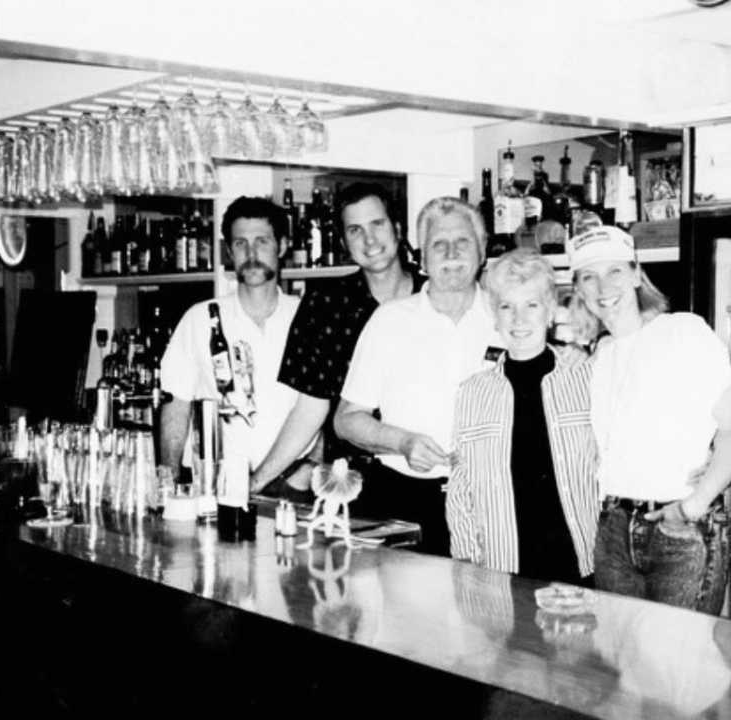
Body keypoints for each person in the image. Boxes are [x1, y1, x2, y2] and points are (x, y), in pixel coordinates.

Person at [567, 225, 731, 614]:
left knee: (680, 667)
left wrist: (693, 506)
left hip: (678, 530)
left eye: (615, 271)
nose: (603, 286)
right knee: (622, 664)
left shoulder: (683, 333)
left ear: (636, 274)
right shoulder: (599, 356)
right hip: (614, 529)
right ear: (578, 290)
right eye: (589, 276)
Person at [335, 196, 503, 556]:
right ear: (422, 257)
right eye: (439, 245)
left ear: (482, 249)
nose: (452, 254)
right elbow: (347, 420)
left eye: (463, 242)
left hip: (493, 502)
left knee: (491, 610)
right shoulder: (389, 322)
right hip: (406, 500)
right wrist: (403, 443)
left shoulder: (508, 317)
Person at [251, 183, 422, 500]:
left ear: (398, 228)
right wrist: (259, 481)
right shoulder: (324, 304)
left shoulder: (434, 298)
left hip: (425, 476)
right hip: (349, 487)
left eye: (377, 224)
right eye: (355, 230)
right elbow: (310, 407)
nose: (369, 239)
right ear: (344, 242)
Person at [447, 249, 598, 584]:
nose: (518, 319)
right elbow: (460, 492)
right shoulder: (472, 392)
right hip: (501, 571)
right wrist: (467, 565)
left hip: (582, 567)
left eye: (531, 305)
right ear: (495, 316)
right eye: (506, 307)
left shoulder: (588, 377)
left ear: (549, 312)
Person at [158, 196, 313, 485]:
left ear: (282, 246)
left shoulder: (307, 317)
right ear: (229, 251)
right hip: (218, 482)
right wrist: (167, 480)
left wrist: (311, 467)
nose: (251, 253)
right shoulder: (200, 319)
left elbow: (319, 407)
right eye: (240, 243)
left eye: (262, 241)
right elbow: (176, 405)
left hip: (293, 483)